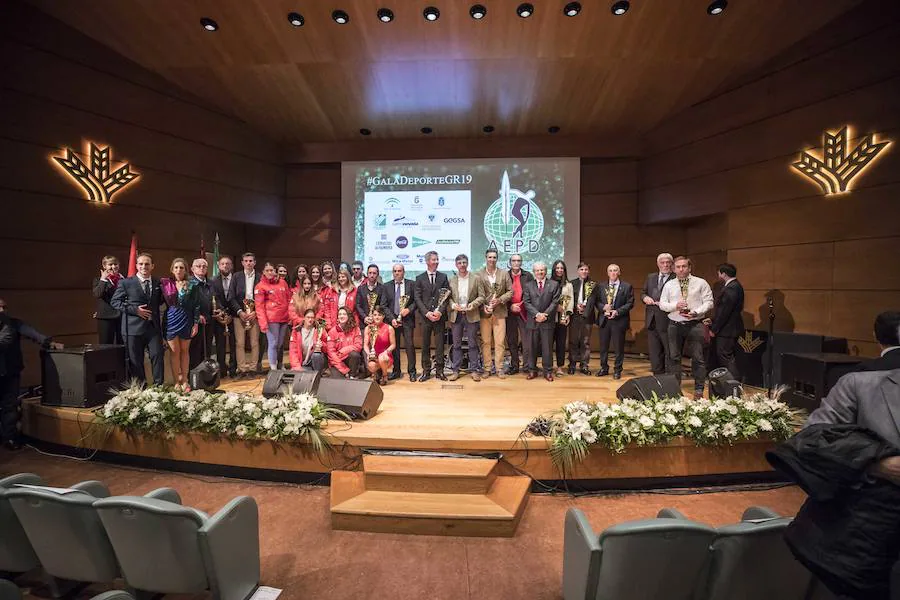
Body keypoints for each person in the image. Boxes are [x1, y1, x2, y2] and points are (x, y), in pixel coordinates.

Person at [0, 298, 63, 450]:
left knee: (10, 407)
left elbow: (32, 333)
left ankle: (9, 438)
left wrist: (49, 343)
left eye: (4, 307)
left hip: (10, 372)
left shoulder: (13, 323)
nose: (2, 310)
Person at [658, 256, 714, 398]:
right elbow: (663, 304)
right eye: (678, 267)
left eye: (684, 266)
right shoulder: (669, 285)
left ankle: (699, 389)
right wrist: (675, 306)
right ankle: (675, 389)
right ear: (673, 269)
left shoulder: (701, 283)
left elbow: (709, 302)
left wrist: (696, 312)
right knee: (674, 357)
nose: (681, 269)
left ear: (689, 268)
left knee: (698, 358)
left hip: (695, 324)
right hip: (674, 325)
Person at [111, 253, 165, 385]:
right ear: (136, 266)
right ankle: (142, 389)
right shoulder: (126, 283)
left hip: (153, 328)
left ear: (152, 266)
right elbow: (115, 302)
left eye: (147, 264)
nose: (144, 266)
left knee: (157, 355)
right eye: (141, 264)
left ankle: (159, 387)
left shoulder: (159, 282)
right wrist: (135, 310)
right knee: (136, 360)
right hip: (133, 328)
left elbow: (161, 302)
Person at [586, 264, 634, 380]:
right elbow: (596, 301)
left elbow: (630, 303)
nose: (613, 273)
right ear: (607, 273)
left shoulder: (627, 286)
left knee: (618, 347)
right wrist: (604, 308)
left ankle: (617, 370)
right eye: (610, 271)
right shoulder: (601, 286)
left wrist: (617, 311)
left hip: (619, 320)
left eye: (615, 270)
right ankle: (604, 368)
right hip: (604, 320)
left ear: (619, 272)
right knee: (603, 347)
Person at [160, 258, 200, 392]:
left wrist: (195, 323)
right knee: (174, 352)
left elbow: (196, 305)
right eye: (176, 267)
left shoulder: (192, 284)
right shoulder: (166, 283)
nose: (178, 270)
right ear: (172, 269)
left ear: (186, 270)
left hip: (186, 319)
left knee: (184, 351)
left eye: (181, 267)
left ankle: (185, 380)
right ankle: (176, 381)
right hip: (171, 318)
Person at [475, 249, 512, 379]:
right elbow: (477, 294)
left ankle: (500, 368)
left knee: (500, 342)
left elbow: (510, 291)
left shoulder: (504, 274)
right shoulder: (478, 274)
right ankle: (487, 368)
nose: (492, 259)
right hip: (484, 313)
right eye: (490, 257)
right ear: (486, 258)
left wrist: (500, 300)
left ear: (497, 259)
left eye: (494, 257)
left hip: (500, 312)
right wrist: (484, 306)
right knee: (485, 342)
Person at [414, 250, 450, 382]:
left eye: (437, 259)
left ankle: (440, 371)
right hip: (425, 318)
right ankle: (426, 371)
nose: (436, 262)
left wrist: (439, 311)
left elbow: (446, 296)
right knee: (425, 345)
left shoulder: (443, 277)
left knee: (440, 345)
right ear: (428, 261)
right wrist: (426, 313)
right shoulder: (419, 278)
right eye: (434, 259)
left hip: (439, 317)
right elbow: (417, 298)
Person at [448, 254, 484, 382]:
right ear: (456, 265)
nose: (462, 265)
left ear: (467, 263)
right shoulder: (451, 280)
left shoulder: (476, 278)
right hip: (456, 316)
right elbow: (448, 297)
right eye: (459, 263)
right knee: (456, 344)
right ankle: (455, 371)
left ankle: (474, 370)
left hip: (472, 314)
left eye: (464, 262)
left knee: (473, 344)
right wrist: (453, 305)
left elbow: (481, 296)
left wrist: (473, 305)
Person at [523, 262, 560, 381]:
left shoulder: (554, 284)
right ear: (534, 272)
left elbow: (555, 302)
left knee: (547, 348)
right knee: (532, 347)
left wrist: (545, 315)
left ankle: (548, 372)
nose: (540, 272)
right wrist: (537, 314)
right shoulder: (528, 285)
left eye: (542, 270)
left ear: (546, 271)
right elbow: (527, 302)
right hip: (533, 321)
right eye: (537, 270)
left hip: (547, 321)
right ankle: (532, 370)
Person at [641, 253, 676, 375]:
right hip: (652, 320)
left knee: (670, 352)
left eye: (668, 262)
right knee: (655, 352)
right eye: (662, 262)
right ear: (658, 264)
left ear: (671, 264)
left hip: (668, 321)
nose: (665, 265)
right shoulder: (651, 277)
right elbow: (643, 293)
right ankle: (657, 378)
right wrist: (645, 298)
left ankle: (670, 380)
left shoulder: (675, 278)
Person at [709, 263, 745, 380]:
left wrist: (714, 329)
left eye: (719, 273)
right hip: (730, 329)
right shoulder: (735, 286)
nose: (718, 275)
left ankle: (734, 384)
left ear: (723, 274)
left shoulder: (731, 288)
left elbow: (724, 312)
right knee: (726, 355)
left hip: (728, 330)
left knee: (725, 356)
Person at [255, 262, 291, 372]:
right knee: (273, 343)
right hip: (271, 320)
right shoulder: (260, 286)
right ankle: (273, 368)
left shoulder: (283, 282)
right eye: (267, 270)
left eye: (272, 270)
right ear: (263, 272)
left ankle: (278, 365)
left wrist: (290, 316)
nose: (270, 272)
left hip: (284, 318)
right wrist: (263, 323)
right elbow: (259, 306)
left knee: (280, 344)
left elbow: (289, 299)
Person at [384, 263, 417, 381]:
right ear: (392, 273)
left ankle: (412, 372)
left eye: (399, 271)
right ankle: (396, 371)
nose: (397, 273)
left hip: (407, 320)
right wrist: (392, 319)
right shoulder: (386, 286)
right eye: (395, 271)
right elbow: (384, 305)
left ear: (404, 272)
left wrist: (409, 309)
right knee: (395, 347)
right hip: (393, 321)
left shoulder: (411, 284)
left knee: (410, 346)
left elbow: (416, 301)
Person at [232, 252, 261, 378]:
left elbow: (264, 298)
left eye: (251, 261)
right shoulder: (236, 276)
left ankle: (253, 369)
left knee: (254, 342)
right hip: (240, 314)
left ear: (254, 262)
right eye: (246, 261)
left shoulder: (260, 277)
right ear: (242, 263)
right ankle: (242, 369)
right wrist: (240, 311)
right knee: (240, 343)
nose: (248, 263)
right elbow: (231, 297)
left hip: (255, 313)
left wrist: (256, 311)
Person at [505, 254, 535, 376]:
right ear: (510, 262)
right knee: (512, 341)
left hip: (525, 313)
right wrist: (510, 306)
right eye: (514, 261)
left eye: (518, 261)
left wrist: (523, 305)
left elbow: (533, 293)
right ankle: (514, 365)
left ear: (521, 262)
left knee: (527, 341)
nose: (516, 263)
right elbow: (501, 294)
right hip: (510, 312)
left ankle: (527, 366)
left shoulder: (528, 276)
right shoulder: (505, 275)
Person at [209, 255, 238, 378]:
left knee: (234, 344)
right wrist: (223, 314)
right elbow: (214, 298)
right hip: (220, 317)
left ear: (231, 266)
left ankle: (233, 369)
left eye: (228, 264)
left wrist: (232, 314)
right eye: (223, 264)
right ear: (218, 265)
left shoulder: (237, 279)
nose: (225, 266)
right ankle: (222, 369)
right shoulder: (213, 281)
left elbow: (238, 297)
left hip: (235, 315)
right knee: (220, 345)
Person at [188, 258, 214, 370]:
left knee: (207, 350)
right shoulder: (189, 283)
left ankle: (205, 377)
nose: (202, 268)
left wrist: (218, 310)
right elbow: (187, 303)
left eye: (204, 266)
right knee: (195, 351)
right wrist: (197, 315)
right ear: (192, 269)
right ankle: (194, 377)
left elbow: (215, 300)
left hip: (209, 320)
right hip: (195, 322)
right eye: (198, 266)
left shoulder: (210, 283)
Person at [568, 262, 593, 375]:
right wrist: (575, 307)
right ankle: (572, 364)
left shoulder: (593, 285)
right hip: (574, 316)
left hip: (587, 317)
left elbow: (593, 302)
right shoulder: (571, 284)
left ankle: (584, 365)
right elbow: (567, 300)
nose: (584, 271)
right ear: (578, 271)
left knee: (585, 342)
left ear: (588, 271)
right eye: (582, 269)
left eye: (586, 269)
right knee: (573, 341)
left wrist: (585, 309)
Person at [93, 255, 122, 345]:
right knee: (106, 345)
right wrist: (103, 280)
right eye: (110, 264)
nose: (113, 267)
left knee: (122, 344)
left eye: (115, 264)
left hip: (121, 316)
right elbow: (97, 294)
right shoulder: (98, 280)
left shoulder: (124, 279)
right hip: (106, 317)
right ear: (104, 266)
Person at [551, 260, 573, 378]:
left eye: (561, 268)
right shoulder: (549, 283)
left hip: (563, 317)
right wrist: (555, 307)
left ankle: (559, 367)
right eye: (557, 268)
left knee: (560, 343)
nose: (559, 270)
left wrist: (567, 313)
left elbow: (570, 300)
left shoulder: (568, 285)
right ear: (554, 269)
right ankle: (548, 366)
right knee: (549, 343)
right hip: (550, 317)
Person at [326, 307, 363, 379]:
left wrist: (344, 350)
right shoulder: (332, 331)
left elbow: (358, 346)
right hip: (338, 361)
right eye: (339, 314)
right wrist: (344, 370)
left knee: (354, 354)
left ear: (348, 316)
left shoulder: (355, 329)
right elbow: (331, 353)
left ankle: (352, 376)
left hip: (350, 360)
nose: (341, 316)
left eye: (344, 314)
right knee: (337, 380)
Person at [363, 306, 396, 385]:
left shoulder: (389, 328)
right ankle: (376, 374)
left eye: (379, 315)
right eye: (375, 315)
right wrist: (368, 354)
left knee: (382, 358)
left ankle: (384, 375)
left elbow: (393, 345)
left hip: (385, 356)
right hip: (374, 355)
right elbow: (365, 345)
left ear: (383, 316)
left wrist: (386, 352)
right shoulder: (368, 328)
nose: (377, 317)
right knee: (371, 365)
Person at [355, 264, 389, 338]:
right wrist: (365, 317)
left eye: (374, 273)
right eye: (370, 273)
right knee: (365, 347)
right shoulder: (360, 288)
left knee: (377, 346)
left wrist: (374, 318)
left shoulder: (382, 288)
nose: (372, 275)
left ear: (378, 275)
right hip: (364, 322)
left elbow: (382, 305)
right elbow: (357, 305)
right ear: (367, 274)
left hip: (378, 322)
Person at [289, 308, 327, 373]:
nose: (310, 319)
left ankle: (318, 375)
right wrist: (297, 367)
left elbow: (327, 347)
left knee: (317, 355)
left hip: (314, 361)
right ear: (304, 318)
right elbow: (293, 351)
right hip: (302, 364)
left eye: (312, 317)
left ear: (314, 319)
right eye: (308, 317)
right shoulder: (296, 331)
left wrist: (322, 345)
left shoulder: (319, 329)